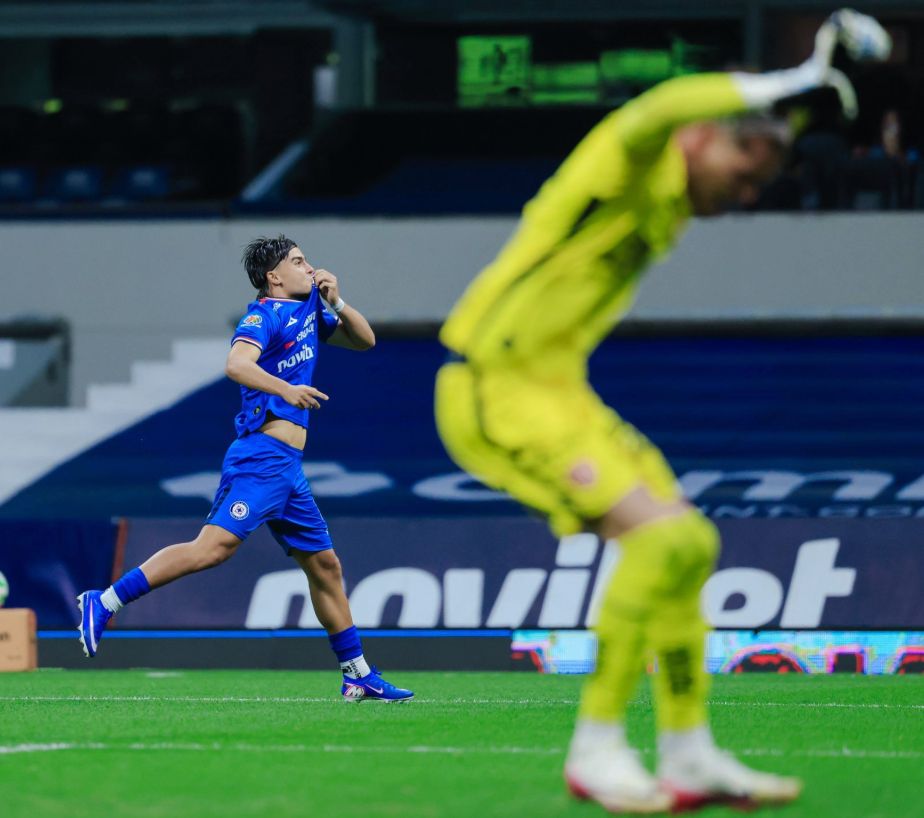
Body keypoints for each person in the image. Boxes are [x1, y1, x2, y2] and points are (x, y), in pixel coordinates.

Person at [435, 10, 888, 814]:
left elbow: (751, 129)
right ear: (700, 138)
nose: (746, 195)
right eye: (744, 172)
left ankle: (688, 753)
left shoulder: (677, 196)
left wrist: (809, 102)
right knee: (664, 539)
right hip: (495, 388)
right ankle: (596, 748)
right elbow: (662, 105)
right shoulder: (625, 163)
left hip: (560, 391)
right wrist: (788, 78)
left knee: (692, 545)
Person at [78, 235, 413, 703]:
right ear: (274, 276)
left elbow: (364, 340)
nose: (309, 267)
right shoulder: (262, 316)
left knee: (324, 565)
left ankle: (357, 674)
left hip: (288, 469)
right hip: (260, 459)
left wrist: (338, 301)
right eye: (298, 261)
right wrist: (286, 389)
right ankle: (105, 600)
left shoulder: (310, 309)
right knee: (211, 549)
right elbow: (236, 364)